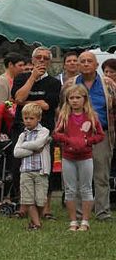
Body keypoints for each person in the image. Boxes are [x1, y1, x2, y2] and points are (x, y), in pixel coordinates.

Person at [54, 83, 104, 232]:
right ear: (67, 100)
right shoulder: (63, 116)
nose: (75, 100)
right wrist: (68, 140)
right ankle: (73, 220)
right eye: (71, 98)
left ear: (85, 99)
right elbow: (56, 134)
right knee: (70, 189)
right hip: (68, 157)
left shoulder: (91, 116)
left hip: (86, 157)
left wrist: (87, 141)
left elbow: (100, 135)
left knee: (86, 188)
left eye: (78, 97)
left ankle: (85, 221)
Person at [74, 50, 112, 220]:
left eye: (90, 61)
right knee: (79, 176)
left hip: (101, 135)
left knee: (101, 175)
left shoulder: (108, 84)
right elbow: (61, 109)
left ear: (97, 65)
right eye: (83, 61)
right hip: (77, 136)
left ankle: (102, 212)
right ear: (78, 65)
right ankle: (80, 212)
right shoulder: (71, 84)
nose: (86, 63)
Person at [13, 104, 52, 231]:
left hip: (41, 171)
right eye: (25, 118)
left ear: (38, 118)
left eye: (31, 118)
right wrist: (33, 150)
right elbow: (16, 153)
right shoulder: (22, 135)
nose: (28, 121)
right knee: (28, 200)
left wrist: (24, 146)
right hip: (26, 171)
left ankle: (35, 220)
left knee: (41, 200)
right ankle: (37, 224)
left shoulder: (44, 131)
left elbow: (39, 143)